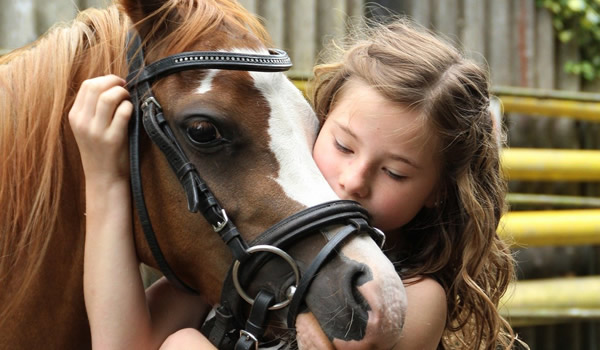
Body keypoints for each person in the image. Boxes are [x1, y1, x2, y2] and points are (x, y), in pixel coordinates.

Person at [70, 17, 524, 350]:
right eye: (343, 146)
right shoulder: (247, 252)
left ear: (438, 191)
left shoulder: (418, 297)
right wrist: (105, 179)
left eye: (395, 173)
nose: (353, 181)